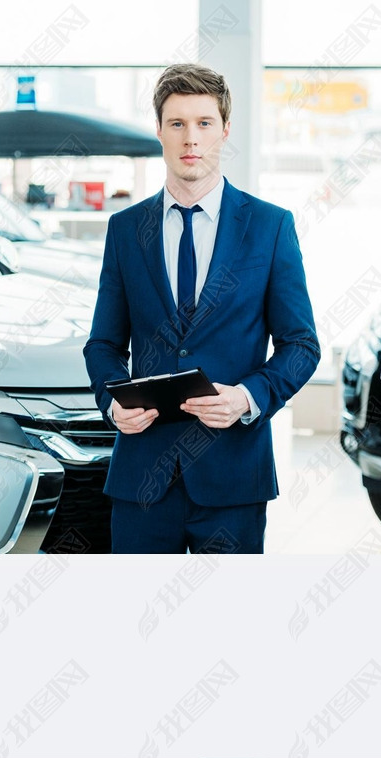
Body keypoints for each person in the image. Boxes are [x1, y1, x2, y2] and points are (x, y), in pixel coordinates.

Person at [83, 63, 321, 554]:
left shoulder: (270, 227)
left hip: (233, 475)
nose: (191, 138)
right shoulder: (126, 230)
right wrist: (111, 402)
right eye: (177, 124)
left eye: (204, 123)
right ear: (160, 132)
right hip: (141, 480)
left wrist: (249, 398)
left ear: (225, 130)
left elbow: (301, 345)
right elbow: (103, 344)